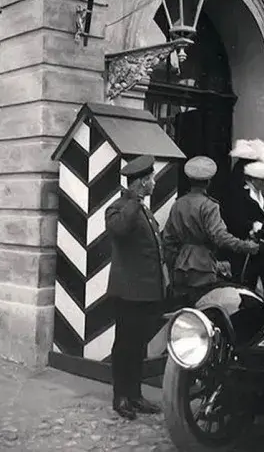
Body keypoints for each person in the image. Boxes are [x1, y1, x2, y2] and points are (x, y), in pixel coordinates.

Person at [104, 154, 167, 420]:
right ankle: (121, 397)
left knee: (138, 346)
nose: (153, 182)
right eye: (149, 178)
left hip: (146, 292)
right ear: (141, 182)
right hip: (128, 292)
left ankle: (136, 395)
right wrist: (133, 199)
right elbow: (120, 230)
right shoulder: (119, 208)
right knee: (125, 346)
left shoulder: (143, 210)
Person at [163, 156, 261, 303]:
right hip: (203, 267)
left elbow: (168, 240)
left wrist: (175, 264)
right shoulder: (209, 205)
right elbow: (220, 237)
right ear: (208, 182)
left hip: (180, 268)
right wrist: (246, 246)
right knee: (205, 307)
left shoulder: (178, 204)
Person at [223, 139, 264, 304]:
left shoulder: (259, 194)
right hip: (244, 248)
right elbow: (233, 218)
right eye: (261, 179)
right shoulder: (238, 194)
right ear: (252, 178)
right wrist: (251, 226)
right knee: (246, 286)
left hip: (261, 246)